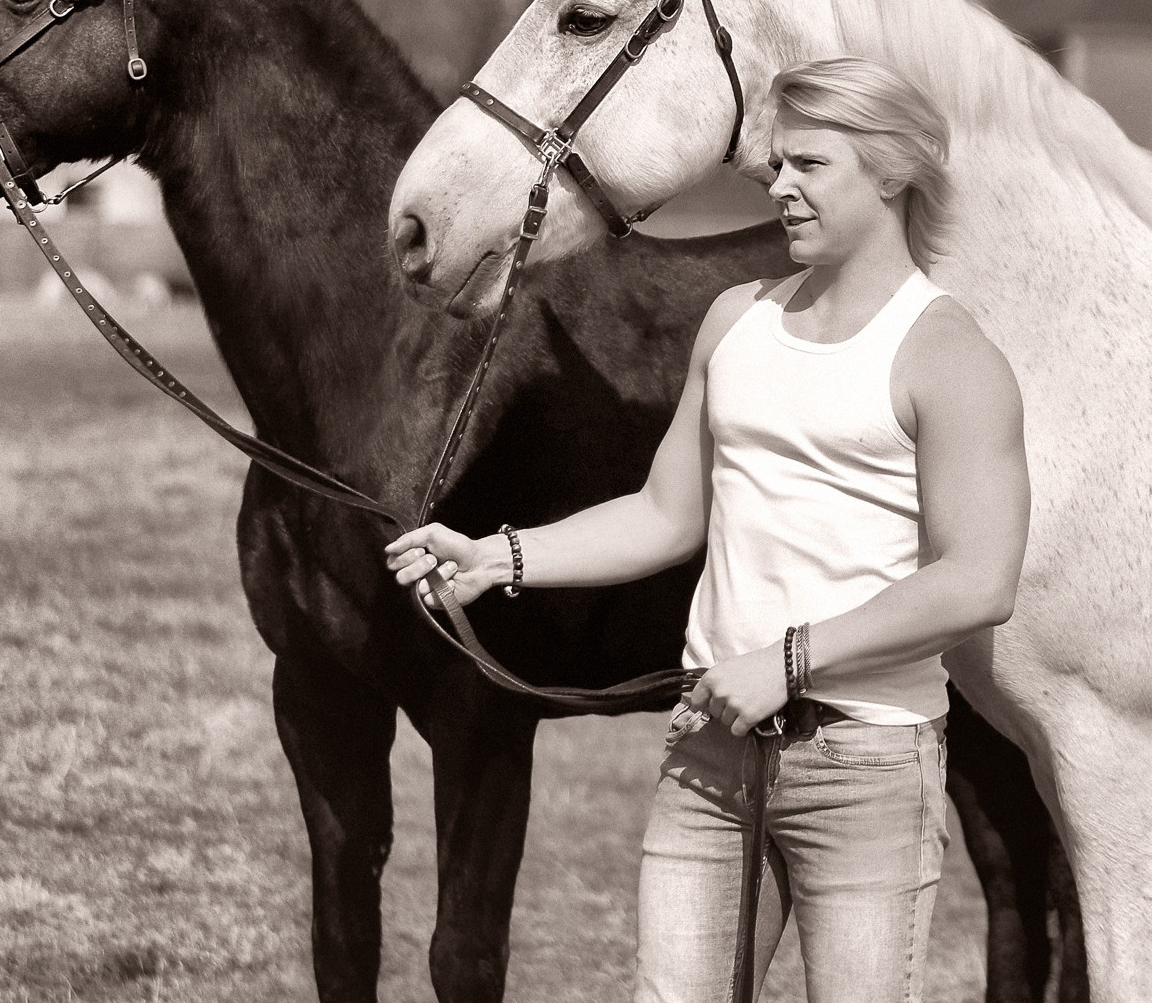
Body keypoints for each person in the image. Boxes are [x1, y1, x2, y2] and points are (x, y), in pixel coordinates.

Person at [387, 54, 1031, 1003]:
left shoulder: (948, 353)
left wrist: (789, 662)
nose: (780, 185)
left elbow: (980, 579)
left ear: (892, 172)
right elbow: (663, 514)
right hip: (710, 756)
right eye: (778, 163)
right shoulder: (737, 321)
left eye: (809, 164)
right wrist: (501, 556)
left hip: (866, 768)